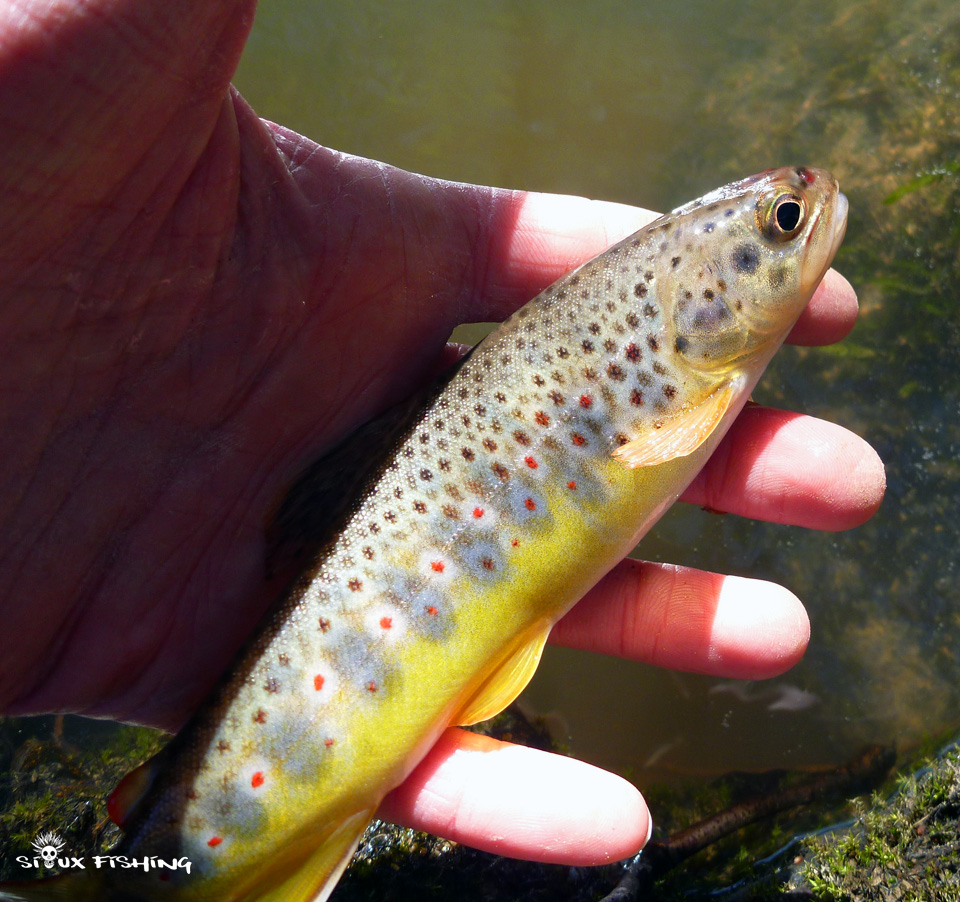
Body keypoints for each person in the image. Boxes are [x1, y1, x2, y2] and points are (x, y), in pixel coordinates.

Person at [0, 0, 884, 866]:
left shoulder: (686, 367)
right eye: (783, 225)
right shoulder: (687, 382)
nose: (800, 221)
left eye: (782, 222)